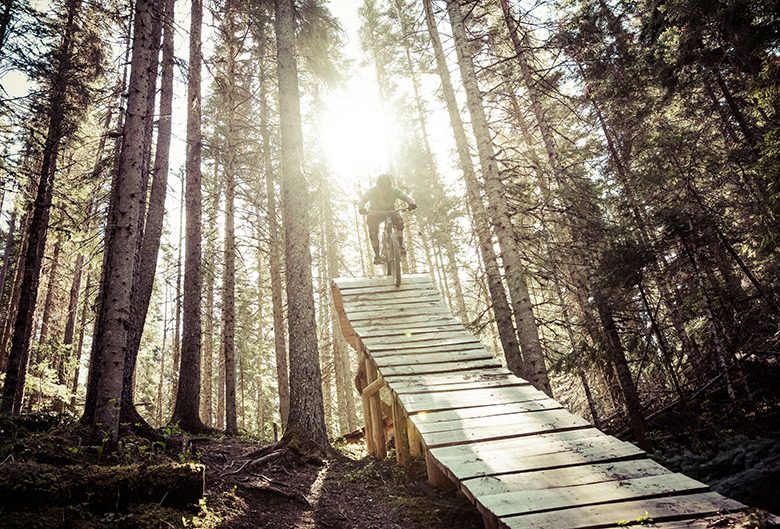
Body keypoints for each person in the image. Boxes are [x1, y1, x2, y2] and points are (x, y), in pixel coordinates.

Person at [358, 174, 417, 265]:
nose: (384, 190)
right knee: (373, 232)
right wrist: (361, 208)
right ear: (378, 186)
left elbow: (406, 197)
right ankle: (377, 256)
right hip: (375, 213)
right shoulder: (372, 191)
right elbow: (362, 200)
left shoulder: (394, 190)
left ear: (389, 185)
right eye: (381, 187)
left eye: (386, 187)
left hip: (390, 211)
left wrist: (411, 203)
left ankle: (401, 246)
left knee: (399, 223)